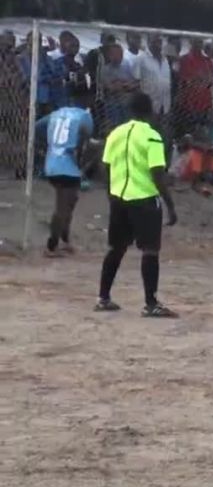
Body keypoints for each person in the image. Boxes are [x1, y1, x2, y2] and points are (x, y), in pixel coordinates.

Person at [96, 93, 178, 318]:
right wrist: (170, 205)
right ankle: (150, 303)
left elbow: (105, 167)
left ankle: (103, 297)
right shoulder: (152, 136)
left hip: (119, 197)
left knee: (116, 248)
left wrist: (111, 193)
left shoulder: (115, 134)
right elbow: (157, 174)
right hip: (144, 199)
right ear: (150, 112)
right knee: (150, 250)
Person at [35, 97, 94, 256]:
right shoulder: (85, 115)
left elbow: (38, 126)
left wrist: (51, 143)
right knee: (63, 206)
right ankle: (51, 245)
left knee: (70, 201)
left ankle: (65, 240)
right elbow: (86, 136)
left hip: (52, 163)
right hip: (67, 165)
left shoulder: (57, 113)